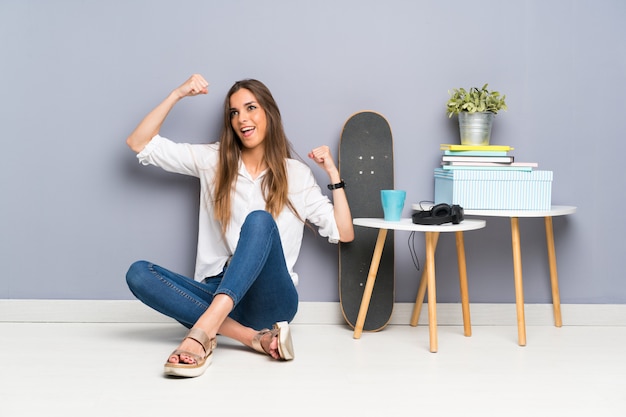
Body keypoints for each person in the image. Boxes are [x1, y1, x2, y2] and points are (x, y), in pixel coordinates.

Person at [125, 74, 354, 378]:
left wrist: (333, 174)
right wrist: (178, 93)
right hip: (218, 291)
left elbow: (344, 232)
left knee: (259, 220)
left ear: (268, 113)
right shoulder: (214, 160)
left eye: (250, 108)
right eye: (234, 113)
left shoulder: (296, 174)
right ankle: (253, 338)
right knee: (139, 273)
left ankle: (202, 332)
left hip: (270, 302)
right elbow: (138, 142)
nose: (242, 119)